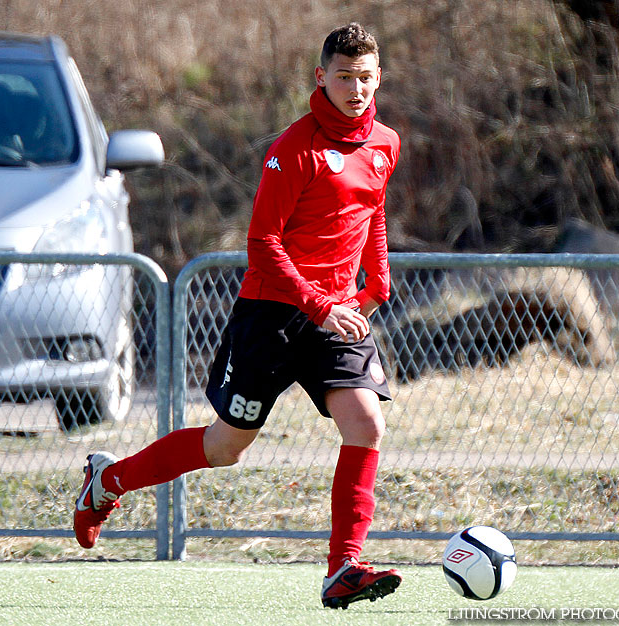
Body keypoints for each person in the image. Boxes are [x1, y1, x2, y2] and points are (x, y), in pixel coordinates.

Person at [73, 22, 402, 610]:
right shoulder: (293, 150)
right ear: (320, 77)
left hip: (337, 318)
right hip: (272, 316)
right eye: (345, 76)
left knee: (366, 424)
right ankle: (108, 482)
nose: (356, 89)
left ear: (380, 79)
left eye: (366, 78)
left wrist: (375, 279)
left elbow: (371, 214)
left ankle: (343, 566)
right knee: (226, 448)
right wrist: (318, 304)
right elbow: (264, 244)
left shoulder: (385, 143)